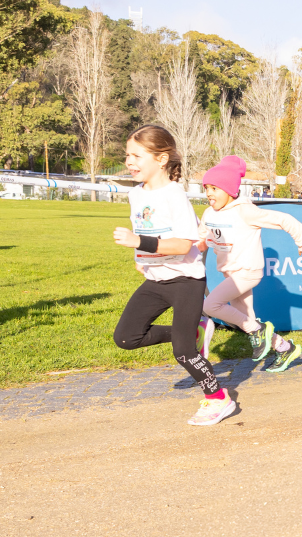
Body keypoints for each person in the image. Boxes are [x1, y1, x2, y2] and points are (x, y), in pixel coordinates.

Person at [110, 125, 230, 426]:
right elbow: (149, 233)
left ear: (161, 159)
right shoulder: (135, 194)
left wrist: (139, 244)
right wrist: (142, 257)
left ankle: (218, 399)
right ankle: (193, 331)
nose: (129, 161)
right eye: (127, 155)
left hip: (186, 281)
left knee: (184, 352)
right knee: (126, 338)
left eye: (137, 155)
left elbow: (180, 244)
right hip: (155, 280)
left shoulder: (175, 196)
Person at [197, 155, 302, 372]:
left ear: (229, 189)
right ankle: (285, 348)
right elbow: (200, 240)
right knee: (247, 321)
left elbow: (284, 220)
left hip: (248, 272)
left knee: (210, 305)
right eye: (206, 188)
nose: (209, 193)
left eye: (214, 188)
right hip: (230, 275)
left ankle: (259, 331)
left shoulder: (245, 211)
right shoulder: (209, 213)